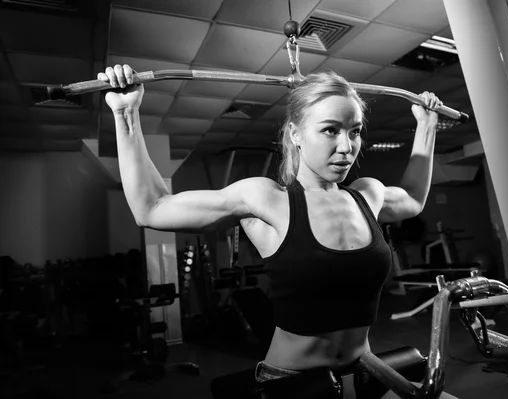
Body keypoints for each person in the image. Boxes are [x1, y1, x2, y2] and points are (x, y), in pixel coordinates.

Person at [98, 64, 456, 399]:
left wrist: (426, 126)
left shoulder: (368, 195)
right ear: (295, 134)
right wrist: (125, 112)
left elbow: (412, 198)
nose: (347, 147)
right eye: (330, 129)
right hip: (292, 385)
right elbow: (152, 208)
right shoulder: (266, 198)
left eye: (355, 131)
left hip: (364, 371)